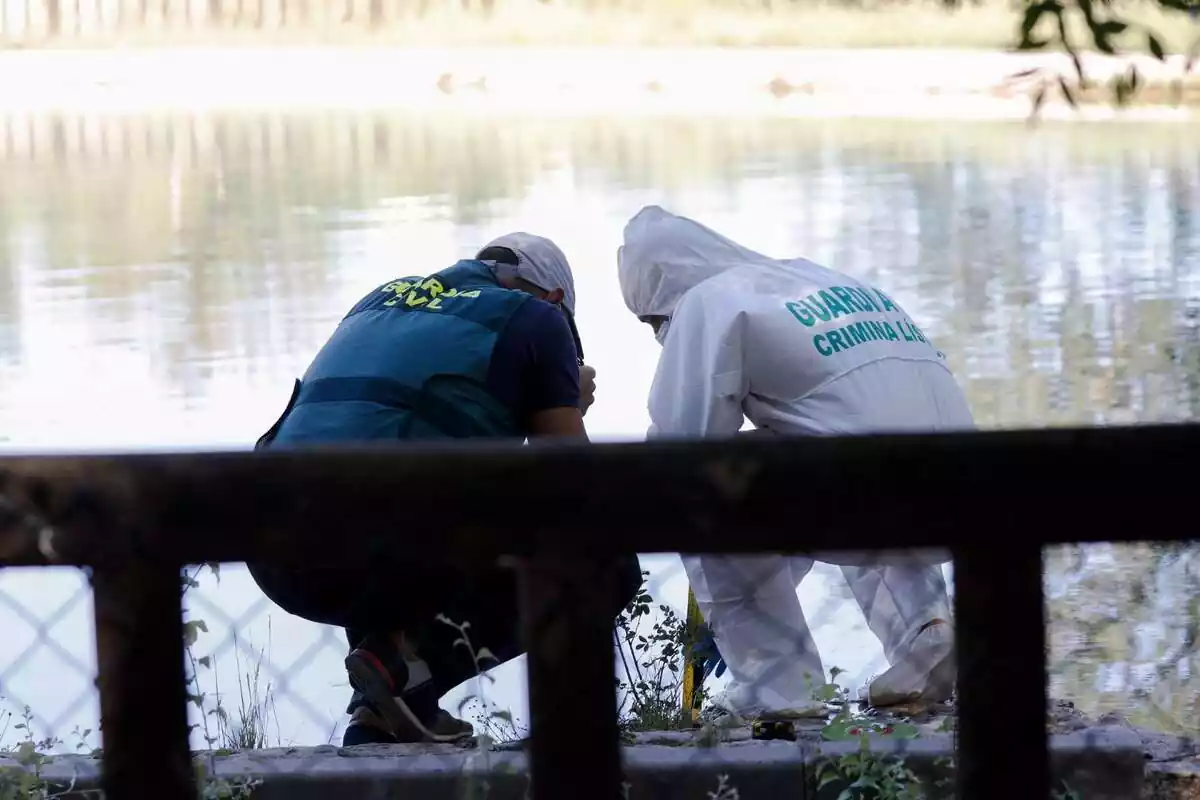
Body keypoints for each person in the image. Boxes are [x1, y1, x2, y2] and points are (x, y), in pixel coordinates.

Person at [247, 233, 642, 746]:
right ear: (555, 300)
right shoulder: (537, 318)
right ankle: (425, 677)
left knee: (388, 477)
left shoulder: (380, 298)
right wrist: (564, 402)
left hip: (269, 545)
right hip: (381, 539)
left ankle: (385, 719)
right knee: (605, 556)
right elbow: (572, 481)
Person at [617, 205, 972, 719]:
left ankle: (778, 684)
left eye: (652, 321)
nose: (657, 335)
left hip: (868, 498)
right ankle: (927, 643)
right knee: (850, 445)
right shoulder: (819, 282)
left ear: (666, 292)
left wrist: (731, 602)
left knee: (704, 481)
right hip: (964, 497)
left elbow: (681, 444)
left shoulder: (707, 302)